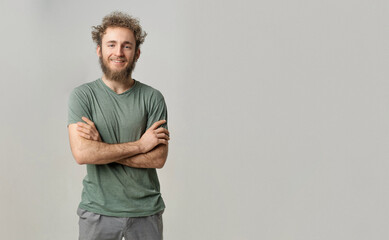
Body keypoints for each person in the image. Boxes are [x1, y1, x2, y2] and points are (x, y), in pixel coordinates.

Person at [67, 11, 170, 240]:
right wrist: (141, 145)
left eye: (127, 46)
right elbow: (83, 153)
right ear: (99, 50)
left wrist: (101, 148)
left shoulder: (153, 98)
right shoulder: (82, 96)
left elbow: (158, 159)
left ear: (137, 53)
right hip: (97, 211)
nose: (118, 52)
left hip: (146, 212)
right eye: (111, 44)